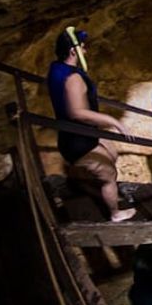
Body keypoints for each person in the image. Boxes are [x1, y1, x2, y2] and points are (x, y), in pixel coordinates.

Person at [47, 27, 136, 222]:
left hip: (76, 135)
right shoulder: (74, 78)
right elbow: (77, 113)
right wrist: (112, 121)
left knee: (110, 151)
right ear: (73, 51)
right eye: (83, 47)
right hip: (77, 141)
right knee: (109, 173)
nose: (85, 51)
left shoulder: (56, 68)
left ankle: (105, 188)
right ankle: (115, 213)